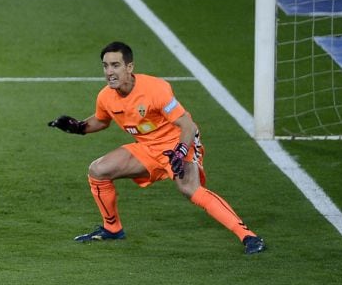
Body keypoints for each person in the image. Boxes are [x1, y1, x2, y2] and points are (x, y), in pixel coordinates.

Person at [48, 41, 266, 255]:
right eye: (105, 66)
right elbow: (101, 121)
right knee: (98, 170)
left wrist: (180, 152)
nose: (109, 72)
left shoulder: (155, 89)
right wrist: (78, 127)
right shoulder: (106, 96)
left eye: (115, 65)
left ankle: (248, 235)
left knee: (189, 188)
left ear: (129, 67)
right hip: (148, 147)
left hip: (179, 142)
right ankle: (112, 228)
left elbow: (187, 125)